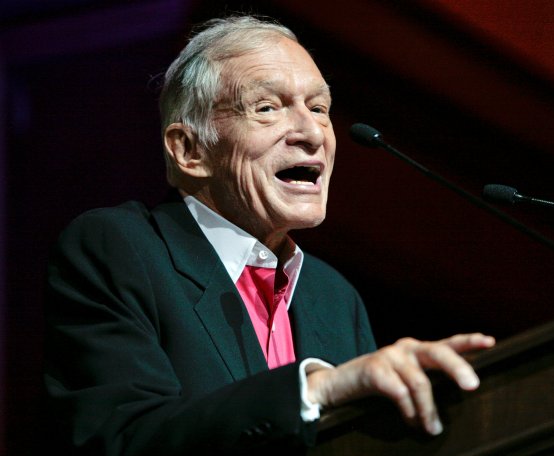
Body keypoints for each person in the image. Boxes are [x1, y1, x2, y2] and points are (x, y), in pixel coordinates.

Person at [44, 15, 495, 455]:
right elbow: (124, 436)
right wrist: (316, 389)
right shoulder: (120, 249)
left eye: (319, 109)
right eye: (267, 108)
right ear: (190, 150)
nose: (311, 133)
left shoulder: (335, 299)